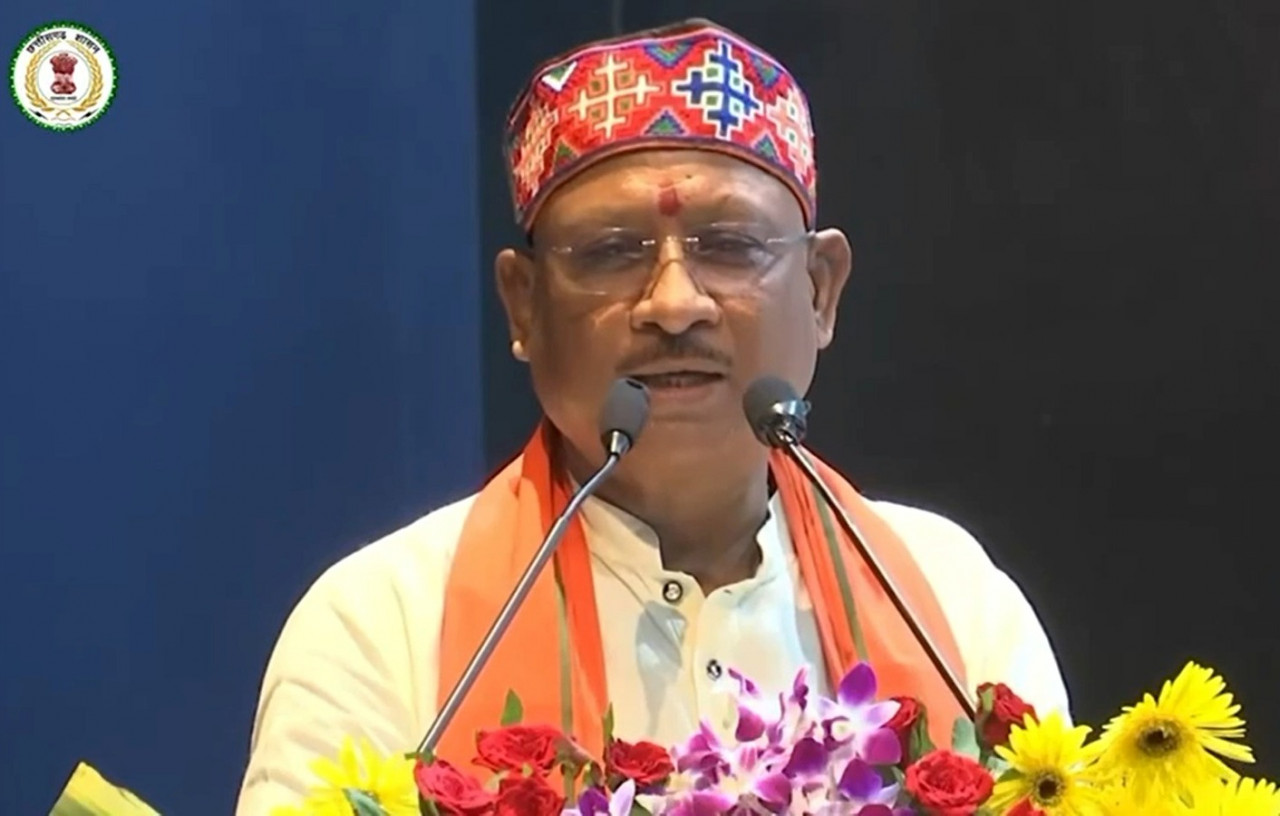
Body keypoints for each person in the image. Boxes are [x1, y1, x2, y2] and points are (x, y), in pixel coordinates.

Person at [236, 18, 1069, 814]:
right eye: (610, 252)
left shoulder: (949, 601)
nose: (674, 303)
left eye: (730, 246)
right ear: (523, 306)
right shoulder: (383, 624)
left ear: (820, 291)